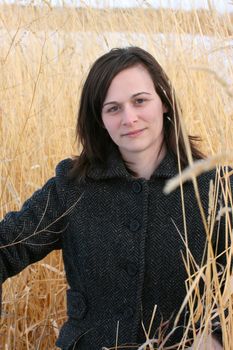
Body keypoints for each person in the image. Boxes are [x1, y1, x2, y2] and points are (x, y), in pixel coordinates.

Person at [0, 47, 230, 349]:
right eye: (113, 108)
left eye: (140, 101)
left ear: (164, 102)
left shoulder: (214, 186)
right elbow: (8, 246)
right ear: (99, 119)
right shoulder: (73, 186)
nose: (129, 118)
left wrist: (217, 334)